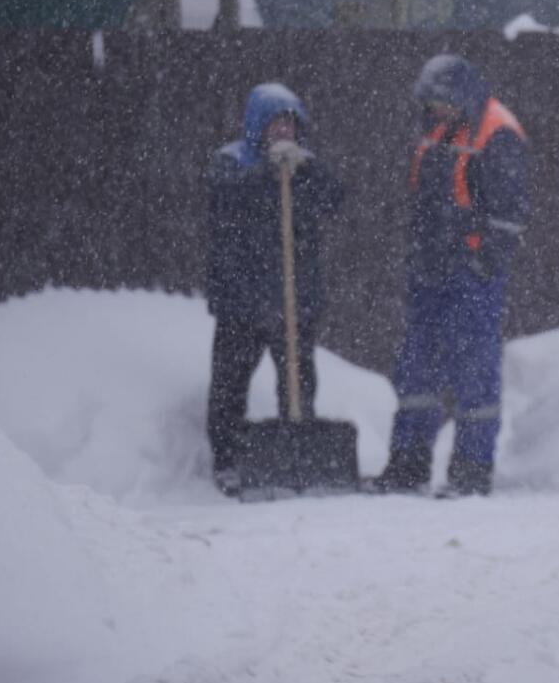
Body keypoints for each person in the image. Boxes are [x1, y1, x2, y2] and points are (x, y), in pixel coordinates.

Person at [369, 54, 529, 496]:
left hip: (470, 274)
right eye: (431, 104)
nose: (435, 111)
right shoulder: (441, 129)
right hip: (431, 269)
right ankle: (407, 463)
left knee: (474, 372)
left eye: (441, 103)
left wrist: (482, 263)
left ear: (459, 97)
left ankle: (471, 471)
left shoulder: (497, 132)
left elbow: (509, 214)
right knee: (416, 372)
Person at [205, 83, 344, 495]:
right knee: (229, 385)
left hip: (294, 301)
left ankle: (296, 455)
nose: (283, 131)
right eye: (275, 123)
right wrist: (268, 172)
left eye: (290, 123)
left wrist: (306, 170)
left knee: (298, 382)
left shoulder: (304, 168)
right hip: (241, 302)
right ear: (257, 126)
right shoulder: (230, 162)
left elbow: (336, 197)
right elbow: (229, 200)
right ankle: (227, 460)